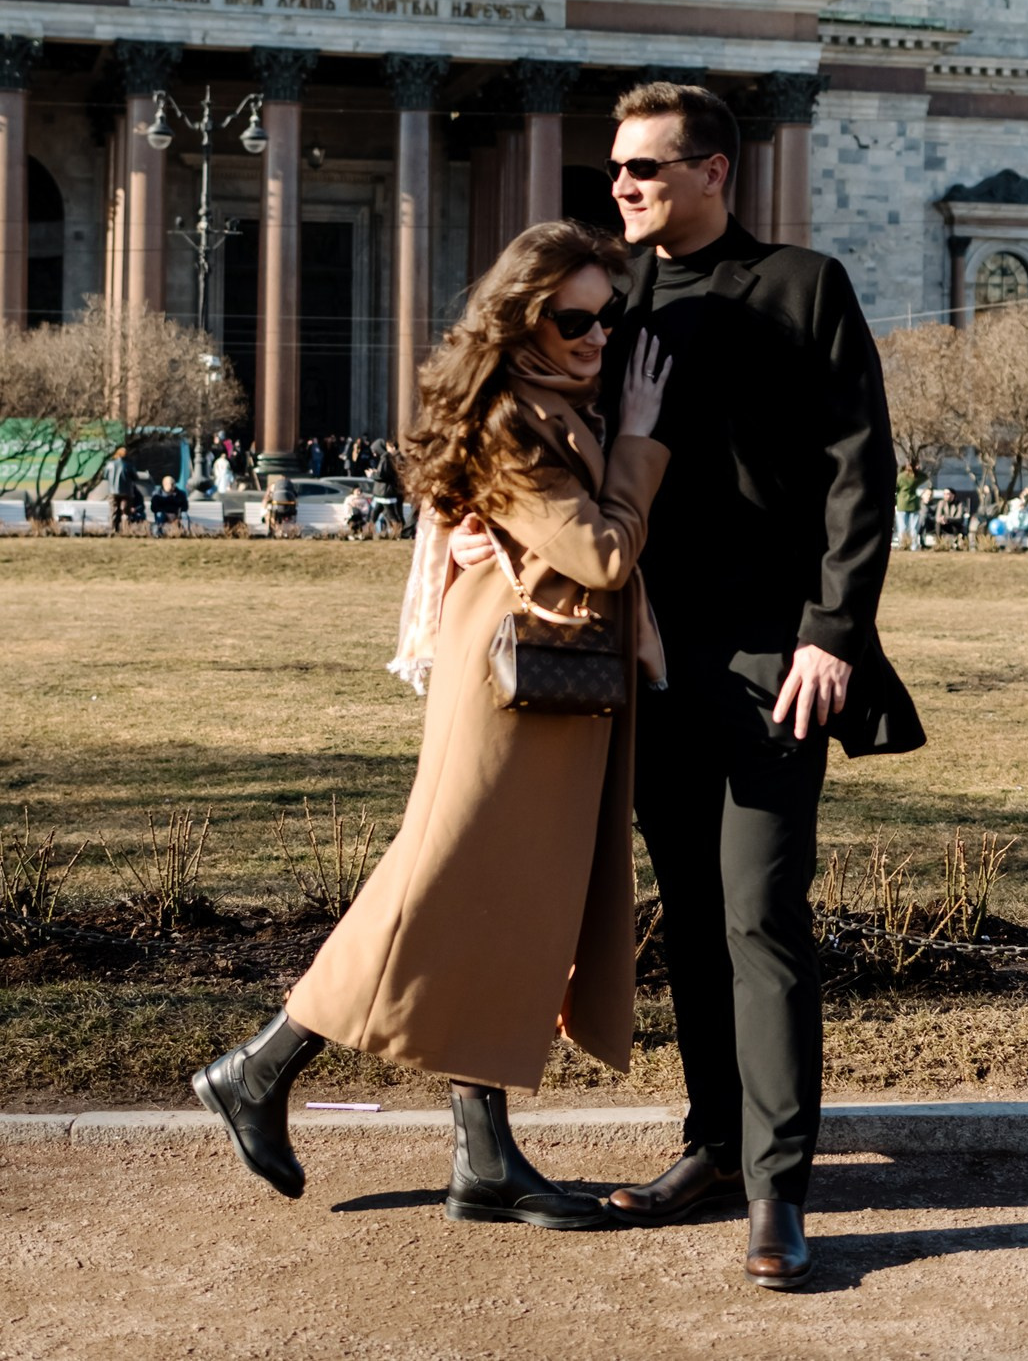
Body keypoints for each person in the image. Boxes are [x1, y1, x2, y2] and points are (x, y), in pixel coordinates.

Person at [455, 83, 922, 1291]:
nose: (620, 186)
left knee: (762, 914)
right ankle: (713, 1146)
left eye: (647, 168)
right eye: (615, 168)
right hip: (647, 660)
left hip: (779, 659)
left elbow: (857, 474)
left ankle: (779, 1191)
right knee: (697, 923)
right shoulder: (612, 299)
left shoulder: (804, 285)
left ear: (716, 170)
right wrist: (473, 526)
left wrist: (832, 632)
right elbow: (507, 409)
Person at [193, 222, 671, 1228]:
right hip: (514, 688)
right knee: (439, 886)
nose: (594, 336)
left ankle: (483, 1157)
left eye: (605, 317)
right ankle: (257, 1068)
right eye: (571, 317)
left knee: (497, 908)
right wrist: (637, 441)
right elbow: (600, 556)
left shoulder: (547, 403)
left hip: (539, 686)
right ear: (521, 318)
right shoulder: (516, 419)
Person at [104, 446, 138, 534]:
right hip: (126, 491)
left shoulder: (110, 464)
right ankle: (126, 530)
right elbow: (135, 477)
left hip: (112, 491)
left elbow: (105, 476)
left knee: (113, 511)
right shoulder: (128, 465)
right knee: (125, 512)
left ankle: (113, 530)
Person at [894, 462, 927, 549]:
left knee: (902, 527)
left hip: (901, 502)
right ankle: (914, 546)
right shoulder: (915, 477)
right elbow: (925, 477)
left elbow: (896, 487)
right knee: (914, 527)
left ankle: (903, 545)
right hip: (914, 503)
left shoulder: (900, 476)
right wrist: (917, 471)